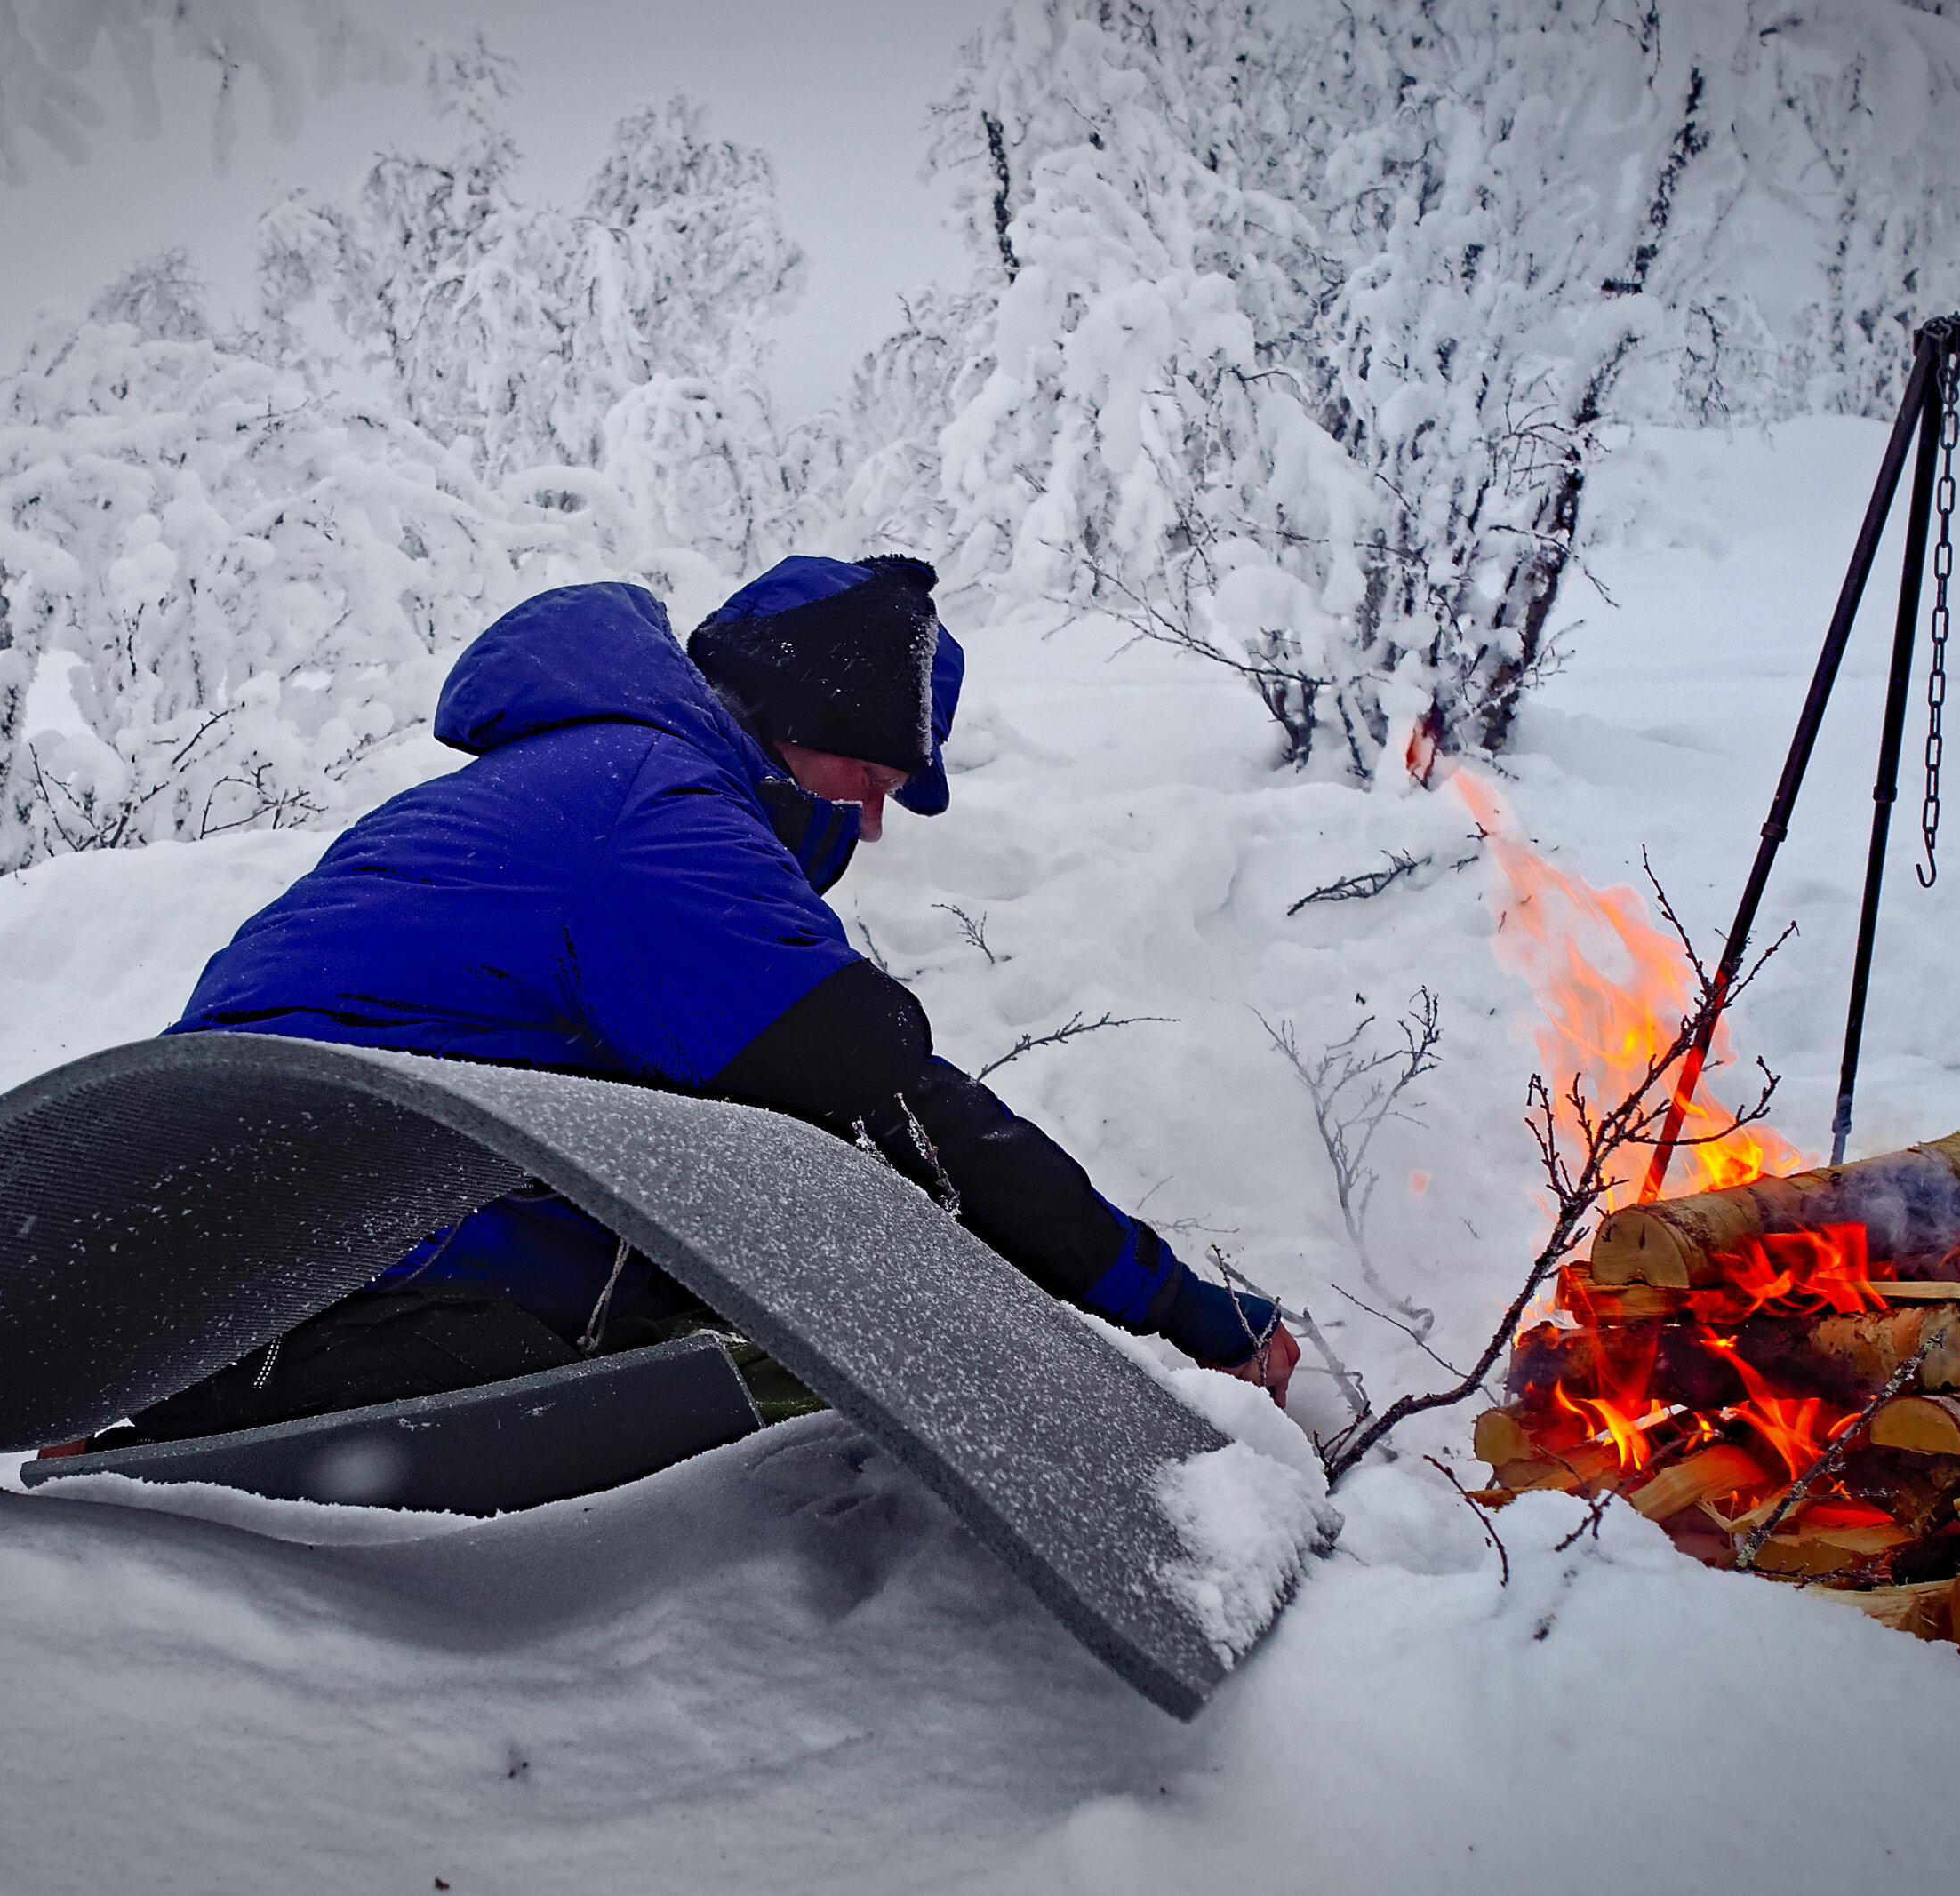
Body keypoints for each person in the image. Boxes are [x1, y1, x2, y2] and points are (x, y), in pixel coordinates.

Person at [134, 555, 1296, 1442]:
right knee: (817, 1388)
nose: (874, 820)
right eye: (876, 778)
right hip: (344, 1266)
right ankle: (258, 1388)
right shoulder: (656, 814)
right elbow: (890, 1106)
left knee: (762, 1283)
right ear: (810, 722)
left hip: (232, 1233)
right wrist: (1185, 1308)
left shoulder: (587, 781)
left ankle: (206, 1375)